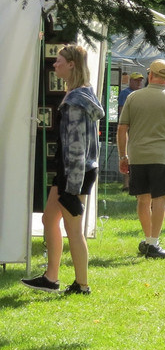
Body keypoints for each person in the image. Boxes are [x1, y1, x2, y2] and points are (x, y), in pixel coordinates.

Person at [21, 45, 104, 295]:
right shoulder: (82, 94)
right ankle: (51, 277)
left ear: (71, 65)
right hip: (72, 171)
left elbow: (77, 147)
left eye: (58, 61)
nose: (54, 65)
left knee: (73, 229)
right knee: (49, 219)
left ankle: (82, 285)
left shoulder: (76, 101)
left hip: (75, 173)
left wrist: (72, 187)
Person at [118, 59, 165, 259]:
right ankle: (153, 242)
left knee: (143, 199)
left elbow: (122, 128)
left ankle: (147, 239)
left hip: (137, 155)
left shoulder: (133, 98)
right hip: (162, 155)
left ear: (150, 75)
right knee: (159, 200)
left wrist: (123, 155)